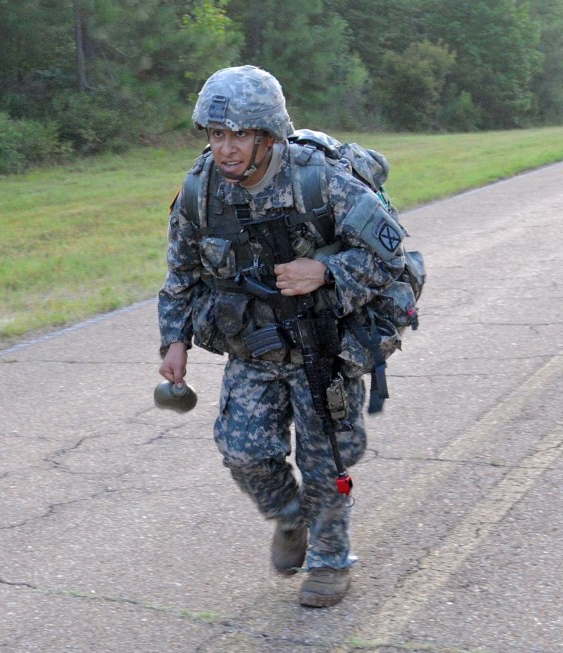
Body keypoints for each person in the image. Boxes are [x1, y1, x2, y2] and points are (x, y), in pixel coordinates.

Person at [157, 65, 406, 608]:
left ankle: (329, 561)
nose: (225, 148)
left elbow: (390, 259)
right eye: (216, 134)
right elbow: (181, 275)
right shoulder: (201, 193)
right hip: (254, 346)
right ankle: (290, 519)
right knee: (243, 452)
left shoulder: (320, 181)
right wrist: (172, 341)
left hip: (324, 345)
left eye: (239, 135)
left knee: (327, 462)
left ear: (268, 135)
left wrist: (327, 272)